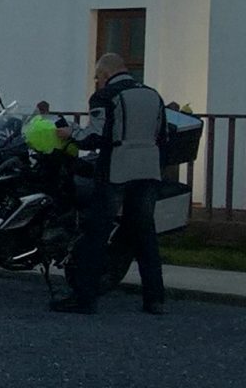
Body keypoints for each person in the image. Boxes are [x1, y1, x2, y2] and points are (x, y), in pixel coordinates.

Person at [57, 52, 168, 315]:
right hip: (148, 171)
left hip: (116, 170)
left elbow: (94, 136)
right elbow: (163, 135)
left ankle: (84, 298)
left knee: (96, 233)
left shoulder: (106, 96)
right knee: (145, 235)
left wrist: (70, 133)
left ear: (106, 74)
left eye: (97, 77)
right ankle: (155, 299)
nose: (97, 82)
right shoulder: (153, 95)